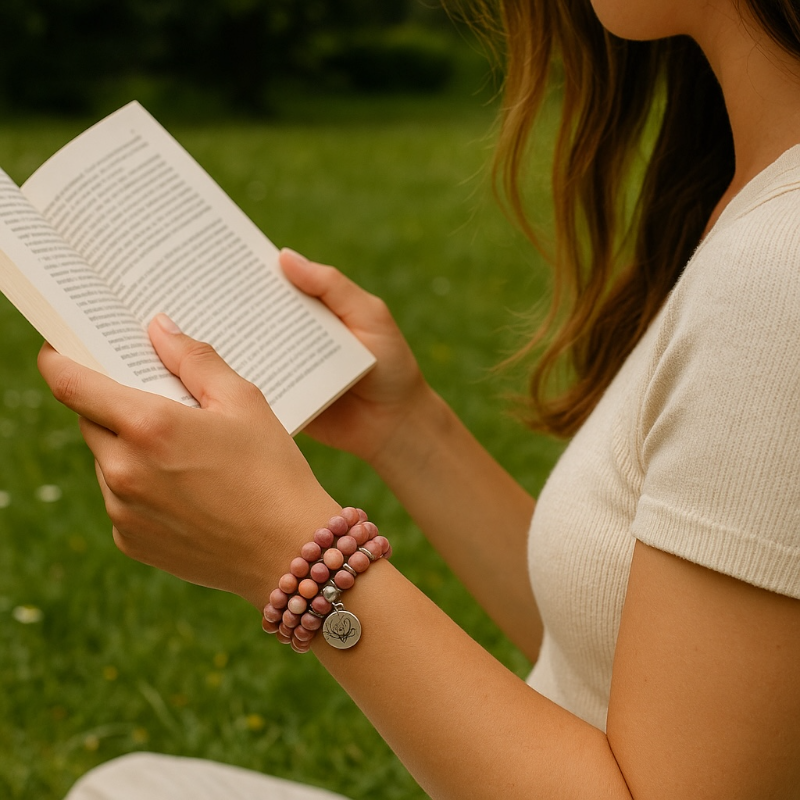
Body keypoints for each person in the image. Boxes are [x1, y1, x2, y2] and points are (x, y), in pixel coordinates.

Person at [42, 0, 800, 794]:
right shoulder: (753, 198)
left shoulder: (779, 271)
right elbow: (635, 660)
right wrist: (407, 431)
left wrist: (289, 551)